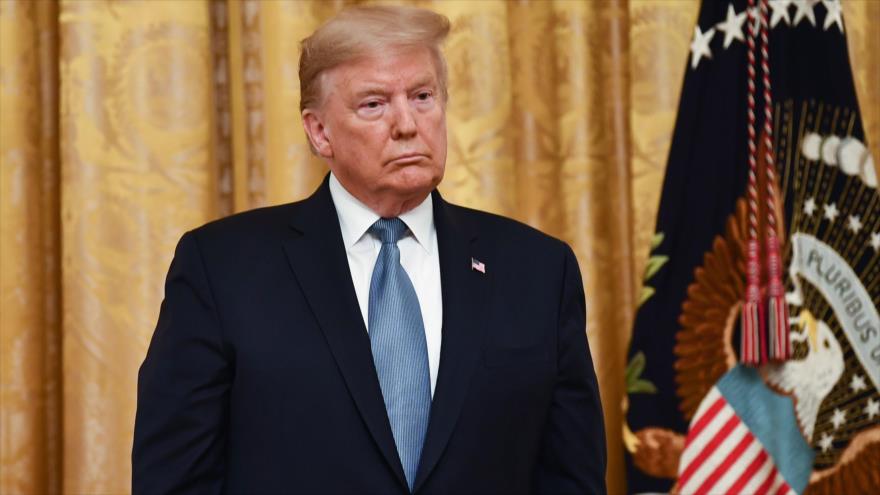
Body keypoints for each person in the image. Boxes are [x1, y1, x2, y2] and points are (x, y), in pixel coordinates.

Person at [132, 5, 606, 494]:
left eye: (422, 96)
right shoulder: (222, 268)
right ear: (320, 132)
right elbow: (175, 480)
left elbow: (572, 477)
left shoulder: (538, 270)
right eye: (374, 104)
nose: (407, 124)